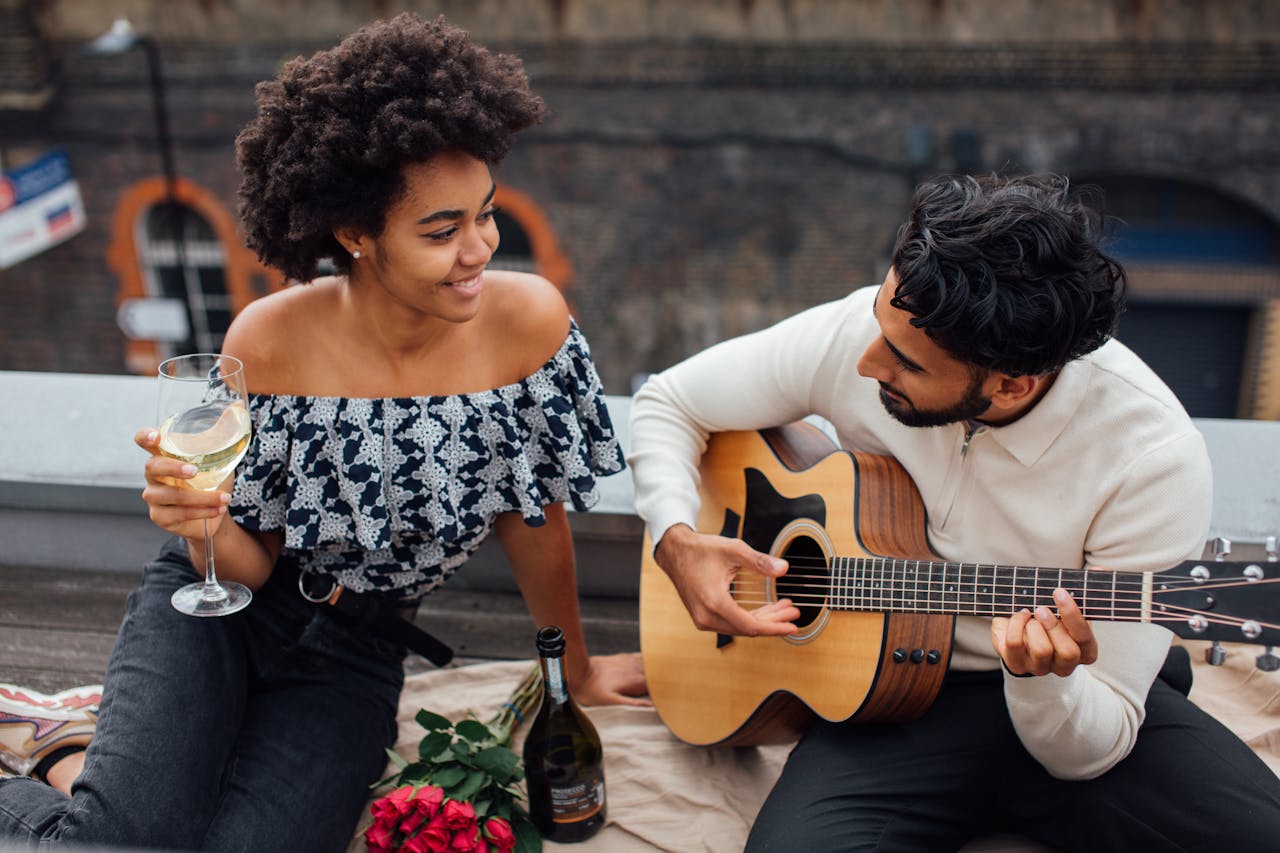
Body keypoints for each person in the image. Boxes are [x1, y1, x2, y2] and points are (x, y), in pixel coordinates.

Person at [0, 13, 646, 851]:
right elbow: (245, 561)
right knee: (117, 843)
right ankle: (72, 757)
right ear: (355, 234)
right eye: (442, 231)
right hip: (218, 612)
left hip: (355, 649)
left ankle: (78, 753)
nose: (480, 249)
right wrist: (200, 522)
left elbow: (533, 516)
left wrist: (576, 671)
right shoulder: (266, 342)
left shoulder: (528, 327)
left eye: (484, 215)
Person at [628, 173, 1280, 851]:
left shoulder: (1151, 457)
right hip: (888, 702)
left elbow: (1093, 746)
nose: (864, 361)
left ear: (1011, 383)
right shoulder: (884, 327)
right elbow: (670, 402)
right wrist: (675, 535)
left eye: (905, 362)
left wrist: (1038, 680)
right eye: (879, 324)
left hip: (1070, 698)